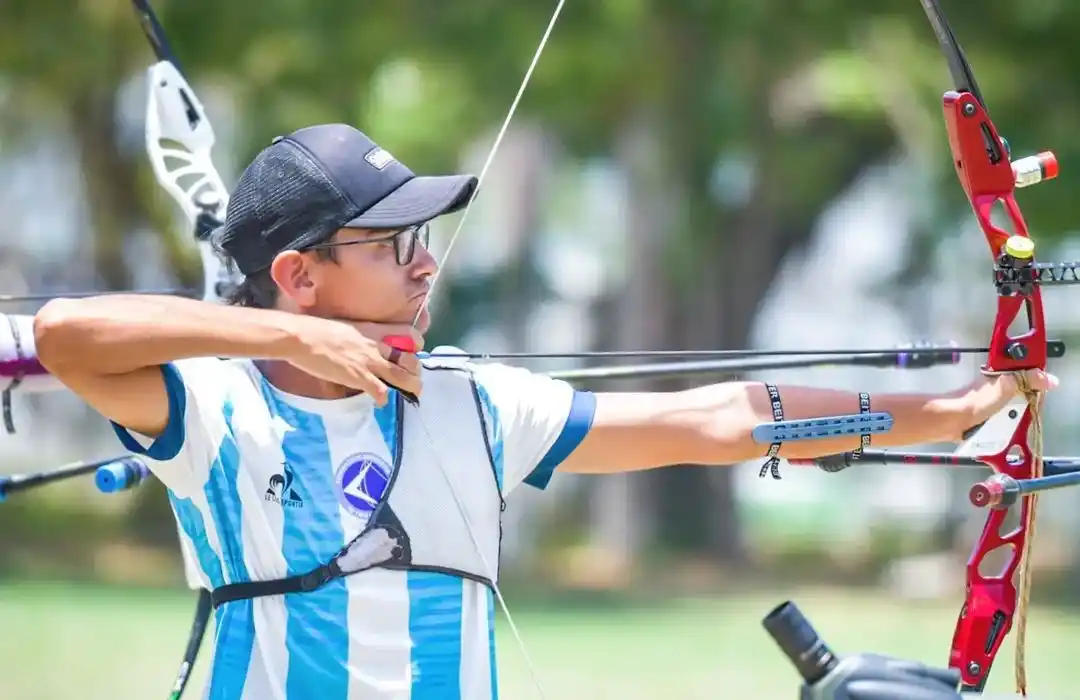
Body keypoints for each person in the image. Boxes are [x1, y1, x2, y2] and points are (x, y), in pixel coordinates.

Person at [32, 123, 1056, 700]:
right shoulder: (210, 405)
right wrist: (290, 342)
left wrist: (953, 410)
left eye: (424, 236)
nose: (426, 263)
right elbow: (67, 330)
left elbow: (720, 419)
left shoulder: (472, 402)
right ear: (297, 276)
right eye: (391, 246)